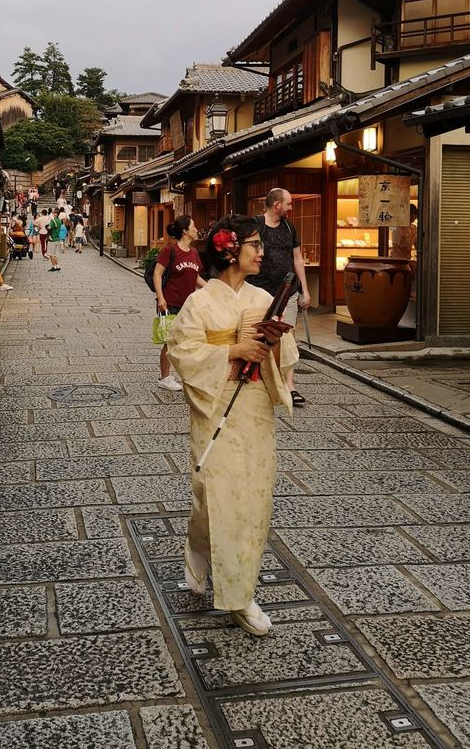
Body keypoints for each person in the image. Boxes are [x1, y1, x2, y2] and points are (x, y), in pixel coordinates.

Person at [167, 215, 294, 637]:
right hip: (215, 406)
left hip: (254, 409)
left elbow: (284, 358)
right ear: (229, 250)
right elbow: (182, 352)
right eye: (255, 245)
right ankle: (201, 551)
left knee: (249, 500)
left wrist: (271, 346)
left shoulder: (262, 299)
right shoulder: (200, 303)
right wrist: (233, 349)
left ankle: (241, 594)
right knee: (214, 493)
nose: (262, 252)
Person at [247, 188, 310, 407]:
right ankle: (260, 377)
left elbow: (298, 259)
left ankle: (289, 386)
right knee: (260, 335)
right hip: (258, 290)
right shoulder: (256, 225)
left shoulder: (289, 227)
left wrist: (304, 289)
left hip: (287, 291)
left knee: (288, 337)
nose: (291, 208)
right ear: (277, 205)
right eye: (289, 204)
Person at [154, 216, 206, 391]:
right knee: (170, 341)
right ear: (185, 231)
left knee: (188, 340)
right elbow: (157, 274)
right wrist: (160, 298)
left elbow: (195, 276)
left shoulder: (194, 253)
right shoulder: (170, 250)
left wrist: (212, 290)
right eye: (193, 225)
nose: (196, 228)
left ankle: (187, 374)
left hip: (189, 305)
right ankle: (165, 377)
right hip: (170, 303)